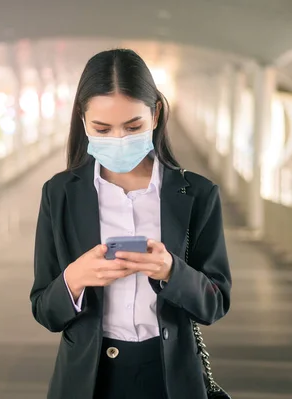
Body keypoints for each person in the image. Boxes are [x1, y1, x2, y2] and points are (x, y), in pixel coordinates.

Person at [29, 48, 231, 399]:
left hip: (170, 378)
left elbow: (215, 302)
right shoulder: (59, 194)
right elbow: (44, 310)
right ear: (82, 121)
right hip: (88, 381)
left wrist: (171, 271)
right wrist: (74, 279)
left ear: (155, 115)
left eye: (133, 126)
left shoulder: (197, 194)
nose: (119, 139)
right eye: (102, 128)